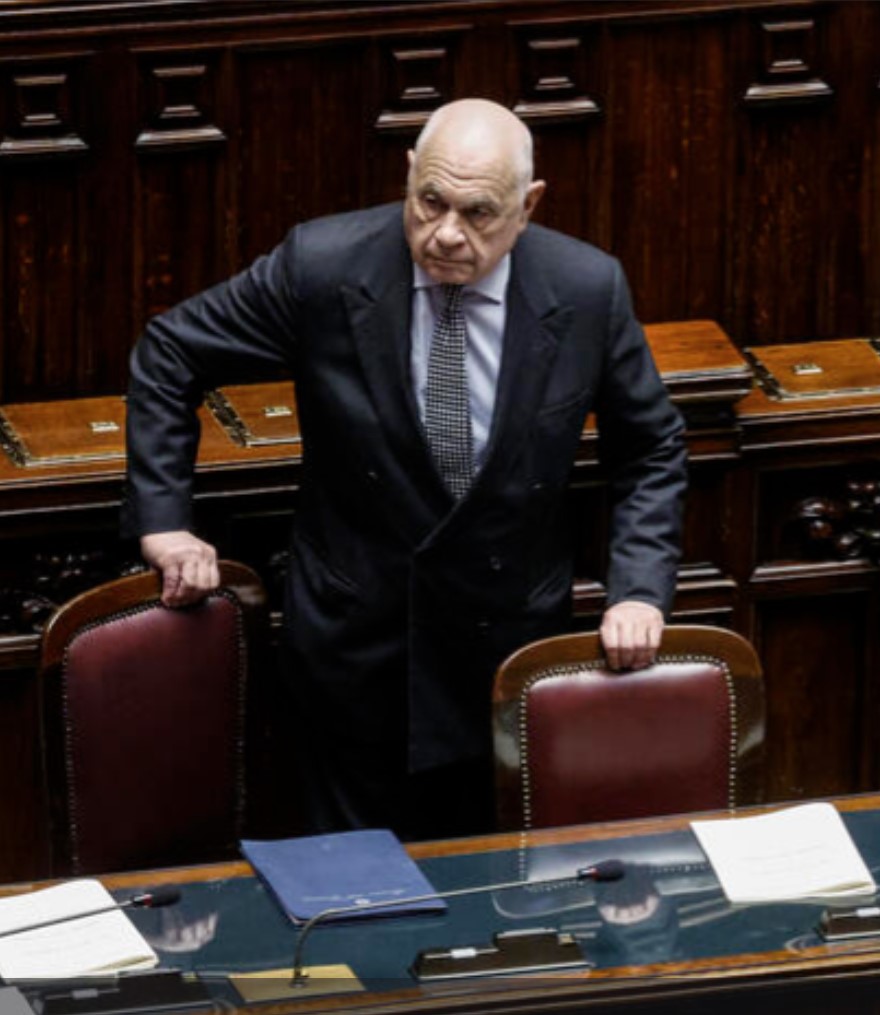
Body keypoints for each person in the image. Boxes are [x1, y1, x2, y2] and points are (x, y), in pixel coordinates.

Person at [124, 98, 687, 837]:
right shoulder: (324, 265)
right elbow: (169, 352)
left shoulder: (585, 289)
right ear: (409, 175)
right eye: (430, 202)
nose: (446, 234)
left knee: (494, 882)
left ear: (528, 206)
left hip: (505, 652)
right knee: (358, 889)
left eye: (478, 213)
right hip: (355, 654)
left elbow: (650, 446)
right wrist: (165, 520)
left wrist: (638, 590)